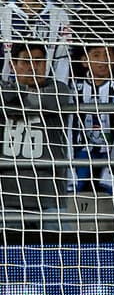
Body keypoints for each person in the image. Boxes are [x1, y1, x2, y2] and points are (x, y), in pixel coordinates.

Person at [0, 41, 74, 225]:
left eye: (39, 61)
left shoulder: (60, 90)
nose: (33, 66)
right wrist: (24, 97)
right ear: (12, 65)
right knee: (8, 253)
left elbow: (40, 103)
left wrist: (16, 100)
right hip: (8, 199)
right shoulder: (3, 89)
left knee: (61, 252)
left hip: (50, 198)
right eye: (26, 61)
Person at [70, 43, 114, 198]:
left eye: (108, 55)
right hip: (81, 152)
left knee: (113, 190)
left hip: (112, 152)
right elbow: (69, 127)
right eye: (96, 55)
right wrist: (70, 161)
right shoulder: (74, 86)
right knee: (73, 186)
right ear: (84, 60)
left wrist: (111, 162)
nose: (103, 60)